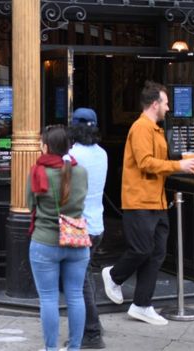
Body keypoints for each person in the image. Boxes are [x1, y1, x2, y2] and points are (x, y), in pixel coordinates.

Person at [101, 81, 194, 325]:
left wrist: (180, 163)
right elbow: (146, 162)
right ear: (155, 104)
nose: (168, 108)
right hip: (139, 201)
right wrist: (179, 165)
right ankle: (113, 276)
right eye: (166, 103)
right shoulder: (141, 128)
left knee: (156, 253)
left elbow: (155, 163)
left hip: (156, 201)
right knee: (143, 249)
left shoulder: (153, 129)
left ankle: (142, 304)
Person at [27, 125, 90, 351]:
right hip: (76, 241)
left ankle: (51, 348)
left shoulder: (38, 171)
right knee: (75, 296)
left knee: (48, 299)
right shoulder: (80, 171)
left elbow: (29, 204)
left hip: (45, 241)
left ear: (46, 146)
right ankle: (74, 347)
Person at [68, 108, 108, 349]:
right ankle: (93, 325)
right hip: (97, 225)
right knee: (86, 277)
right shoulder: (102, 154)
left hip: (78, 227)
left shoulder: (71, 157)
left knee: (79, 284)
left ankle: (92, 333)